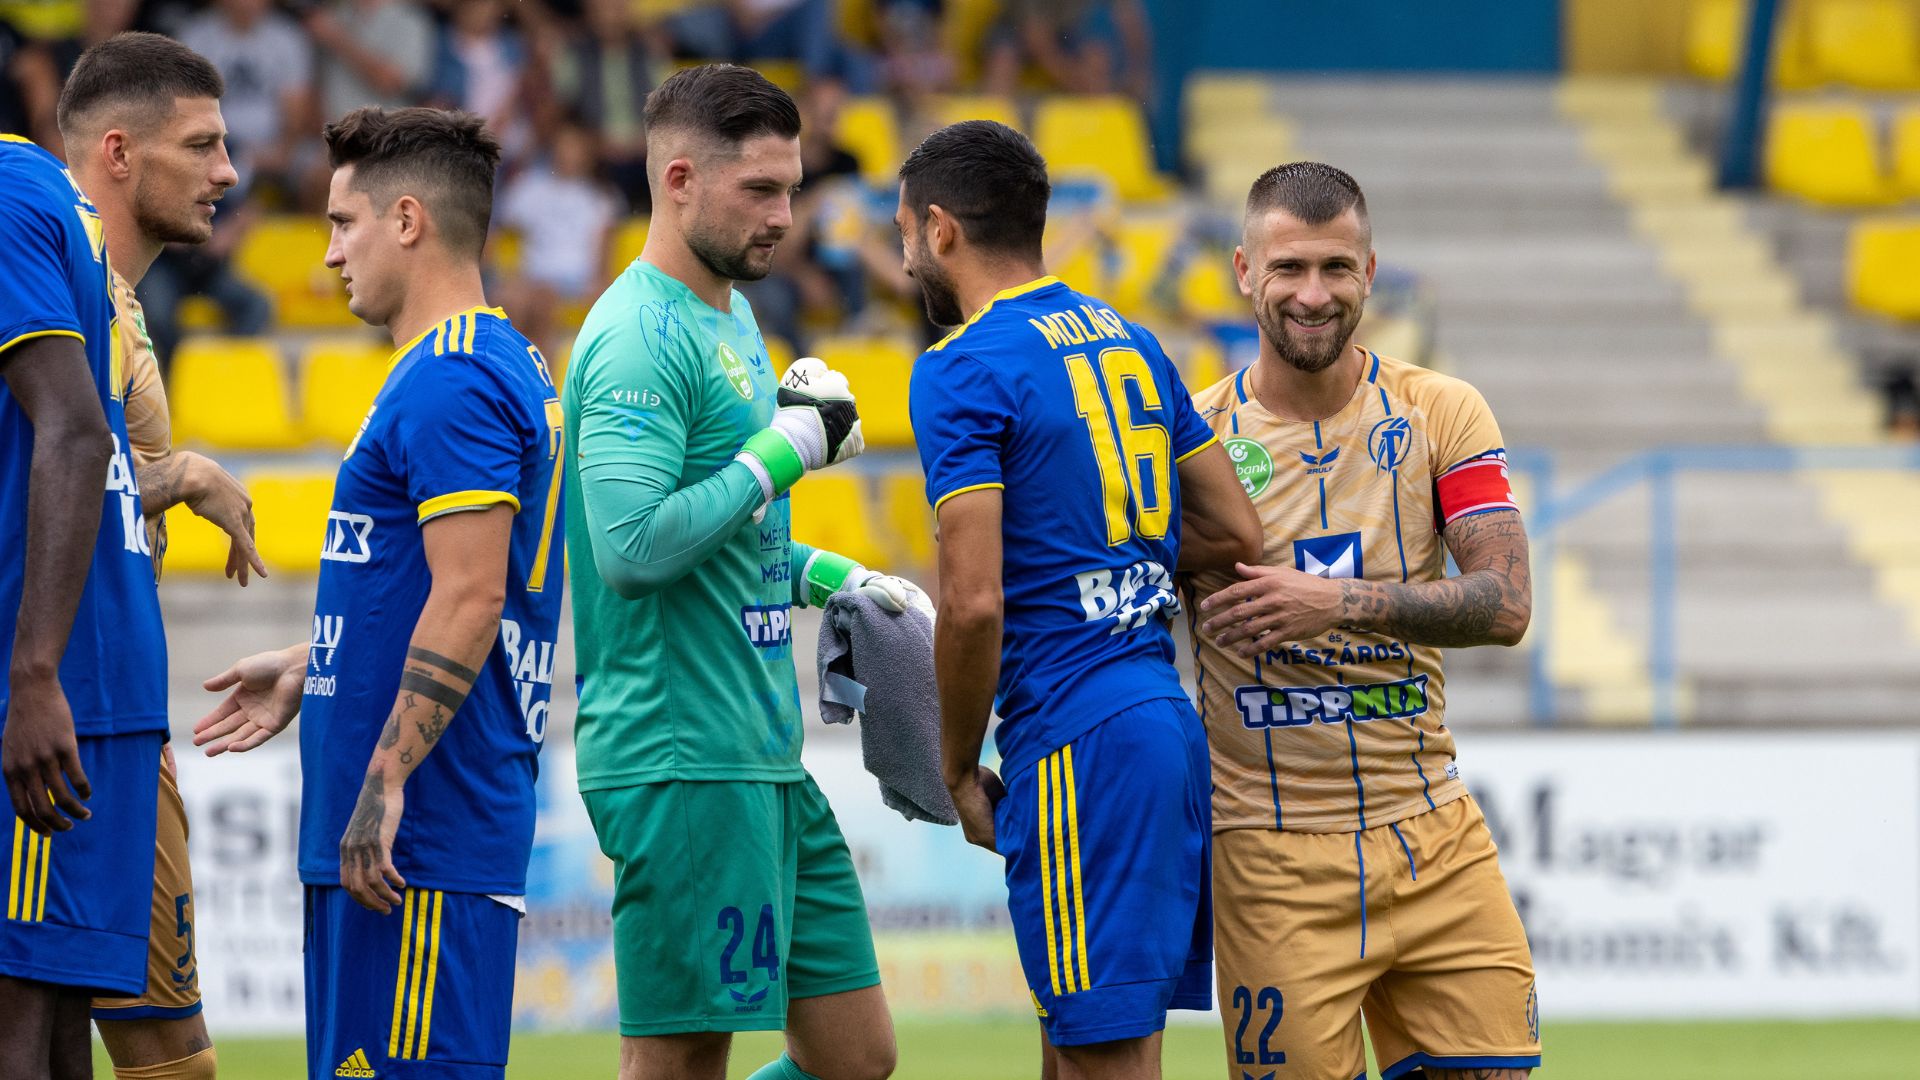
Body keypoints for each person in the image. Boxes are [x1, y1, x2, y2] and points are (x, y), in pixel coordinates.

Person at [192, 106, 566, 1080]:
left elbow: (474, 596)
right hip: (409, 843)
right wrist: (316, 660)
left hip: (418, 842)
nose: (327, 255)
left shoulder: (453, 381)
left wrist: (387, 779)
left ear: (408, 220)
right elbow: (431, 585)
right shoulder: (483, 365)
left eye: (342, 223)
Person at [563, 63, 917, 1080]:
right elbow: (631, 553)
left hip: (760, 749)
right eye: (759, 191)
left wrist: (835, 578)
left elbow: (734, 539)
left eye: (791, 188)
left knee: (856, 1057)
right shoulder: (637, 337)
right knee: (683, 1060)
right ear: (679, 180)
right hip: (681, 754)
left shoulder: (733, 318)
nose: (785, 217)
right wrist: (782, 454)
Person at [897, 120, 1261, 1080]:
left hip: (1076, 735)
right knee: (1079, 1047)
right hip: (1160, 716)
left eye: (902, 236)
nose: (904, 258)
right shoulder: (1130, 341)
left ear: (939, 231)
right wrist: (1118, 563)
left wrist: (956, 763)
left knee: (1104, 1057)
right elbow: (1235, 533)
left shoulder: (960, 368)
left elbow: (972, 603)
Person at [1189, 162, 1540, 1080]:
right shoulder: (1188, 440)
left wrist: (1335, 601)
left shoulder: (1440, 411)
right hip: (1269, 856)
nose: (1314, 294)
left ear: (1371, 272)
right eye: (1290, 268)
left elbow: (1506, 603)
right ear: (1242, 271)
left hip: (1433, 830)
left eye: (1336, 268)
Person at [57, 31, 270, 1080]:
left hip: (114, 710)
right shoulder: (60, 286)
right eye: (203, 144)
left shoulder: (120, 304)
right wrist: (181, 474)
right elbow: (38, 488)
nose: (229, 171)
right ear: (117, 152)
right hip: (76, 720)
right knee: (167, 1058)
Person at [0, 43, 172, 1080]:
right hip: (91, 677)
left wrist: (30, 677)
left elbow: (74, 435)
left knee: (20, 1021)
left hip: (44, 683)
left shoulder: (6, 186)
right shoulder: (51, 202)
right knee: (55, 1024)